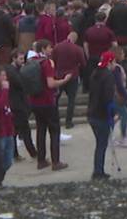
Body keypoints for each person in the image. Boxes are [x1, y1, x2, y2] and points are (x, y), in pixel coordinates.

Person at [29, 40, 72, 171]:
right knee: (54, 130)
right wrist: (64, 80)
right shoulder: (46, 63)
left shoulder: (31, 62)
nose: (51, 49)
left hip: (34, 101)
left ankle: (41, 160)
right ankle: (56, 161)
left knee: (40, 130)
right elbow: (50, 84)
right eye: (49, 47)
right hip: (47, 100)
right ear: (43, 48)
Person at [87, 50, 117, 180]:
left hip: (92, 112)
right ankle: (98, 171)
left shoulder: (95, 73)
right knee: (102, 144)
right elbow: (108, 97)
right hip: (102, 114)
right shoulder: (108, 76)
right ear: (110, 62)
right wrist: (113, 114)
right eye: (114, 61)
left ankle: (98, 169)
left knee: (100, 143)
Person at [51, 31, 85, 129]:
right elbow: (83, 63)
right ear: (75, 39)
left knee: (56, 99)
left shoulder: (57, 47)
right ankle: (68, 122)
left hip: (59, 75)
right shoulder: (78, 49)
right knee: (71, 100)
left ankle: (55, 119)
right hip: (73, 76)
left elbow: (53, 60)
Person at [6, 50, 36, 160]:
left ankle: (15, 154)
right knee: (25, 130)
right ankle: (33, 153)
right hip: (17, 104)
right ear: (13, 59)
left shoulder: (13, 70)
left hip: (16, 103)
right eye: (20, 59)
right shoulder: (12, 71)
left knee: (16, 130)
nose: (23, 61)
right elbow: (20, 84)